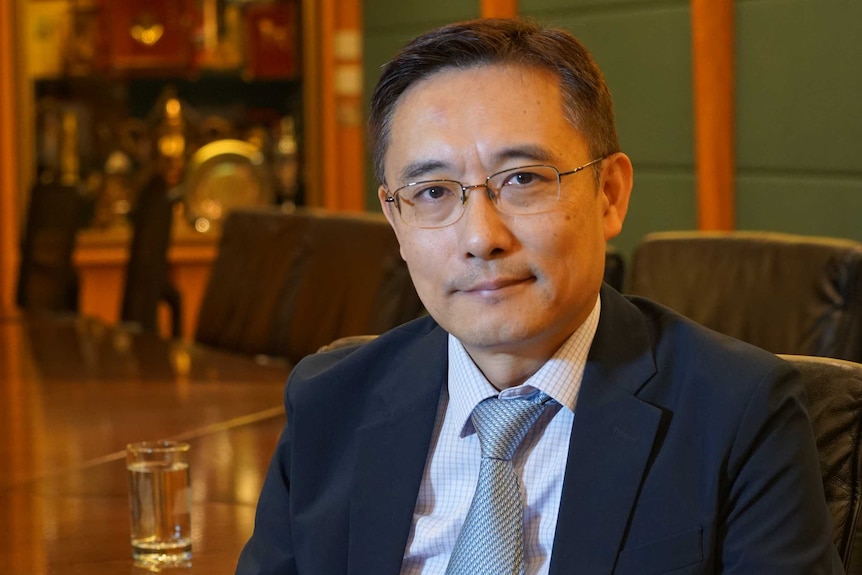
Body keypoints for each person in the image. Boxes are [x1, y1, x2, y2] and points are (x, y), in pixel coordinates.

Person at [236, 17, 843, 575]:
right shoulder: (329, 401)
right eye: (431, 192)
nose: (481, 238)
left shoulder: (738, 412)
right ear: (394, 221)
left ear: (609, 194)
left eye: (523, 180)